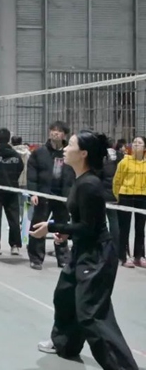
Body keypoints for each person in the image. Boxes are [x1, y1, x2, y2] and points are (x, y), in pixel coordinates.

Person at [31, 131, 138, 370]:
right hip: (82, 248)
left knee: (91, 314)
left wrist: (53, 227)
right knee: (65, 295)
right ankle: (65, 344)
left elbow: (90, 228)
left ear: (83, 154)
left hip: (97, 255)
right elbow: (82, 222)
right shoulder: (79, 179)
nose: (65, 148)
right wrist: (67, 232)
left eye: (70, 145)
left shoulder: (90, 185)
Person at [27, 121, 76, 270]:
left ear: (64, 135)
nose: (55, 133)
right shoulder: (39, 153)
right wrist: (33, 193)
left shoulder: (70, 153)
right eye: (53, 130)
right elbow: (32, 174)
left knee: (62, 227)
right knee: (38, 225)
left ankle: (63, 258)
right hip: (43, 195)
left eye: (59, 131)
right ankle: (36, 258)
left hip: (63, 197)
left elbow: (76, 174)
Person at [0, 128, 24, 256]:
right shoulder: (16, 156)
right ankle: (15, 245)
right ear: (9, 139)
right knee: (14, 219)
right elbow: (20, 168)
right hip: (12, 190)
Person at [112, 135, 146, 268]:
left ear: (144, 147)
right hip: (125, 196)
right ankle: (123, 256)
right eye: (134, 142)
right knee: (124, 228)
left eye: (139, 143)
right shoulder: (124, 162)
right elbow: (117, 180)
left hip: (142, 196)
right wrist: (118, 196)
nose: (136, 144)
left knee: (140, 228)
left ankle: (139, 255)